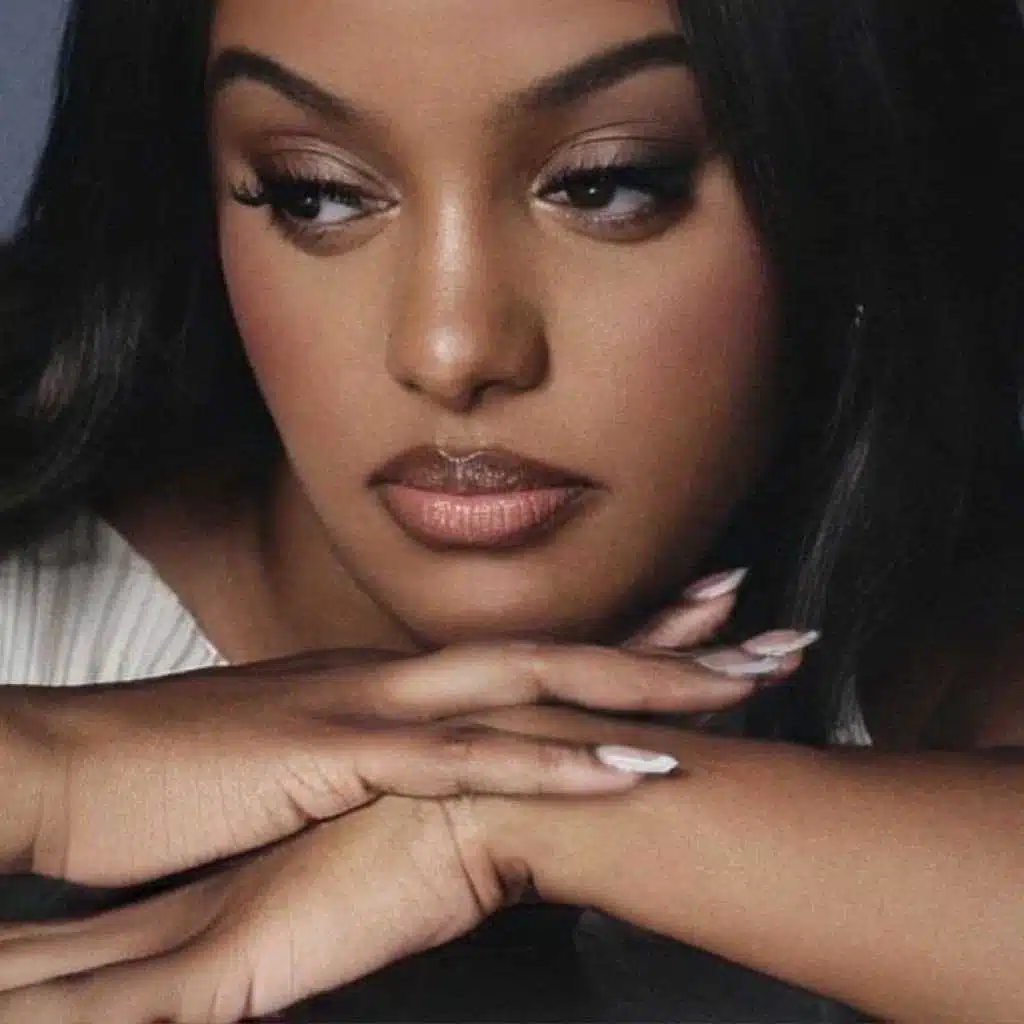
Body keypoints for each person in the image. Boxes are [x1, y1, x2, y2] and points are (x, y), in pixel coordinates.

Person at [0, 0, 1022, 1020]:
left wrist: (504, 807)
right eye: (316, 192)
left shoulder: (947, 666)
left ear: (851, 176)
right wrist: (54, 776)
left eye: (606, 183)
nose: (450, 351)